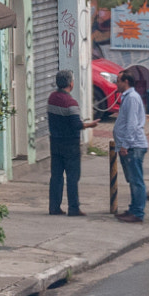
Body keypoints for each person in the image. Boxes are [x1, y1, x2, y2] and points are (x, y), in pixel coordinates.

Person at [46, 70, 90, 215]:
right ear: (71, 84)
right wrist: (90, 125)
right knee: (72, 177)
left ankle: (54, 207)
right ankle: (73, 207)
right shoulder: (71, 103)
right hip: (70, 144)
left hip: (55, 142)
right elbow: (76, 124)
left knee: (56, 176)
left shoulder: (52, 98)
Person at [112, 71, 147, 222]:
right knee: (131, 179)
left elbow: (132, 124)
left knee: (136, 180)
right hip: (127, 145)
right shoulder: (127, 97)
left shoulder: (132, 98)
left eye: (118, 81)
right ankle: (133, 208)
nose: (116, 84)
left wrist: (125, 144)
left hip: (133, 146)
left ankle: (138, 212)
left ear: (126, 81)